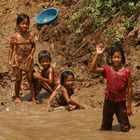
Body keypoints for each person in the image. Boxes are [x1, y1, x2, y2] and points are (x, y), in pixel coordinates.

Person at [90, 43, 132, 132]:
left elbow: (130, 89)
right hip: (108, 102)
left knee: (125, 128)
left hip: (121, 103)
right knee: (105, 128)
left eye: (118, 57)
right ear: (111, 58)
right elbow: (92, 69)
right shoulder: (107, 69)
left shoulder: (126, 72)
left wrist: (129, 106)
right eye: (114, 57)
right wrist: (97, 54)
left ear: (122, 58)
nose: (116, 59)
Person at [8, 13, 36, 104]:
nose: (25, 25)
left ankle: (33, 97)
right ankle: (17, 96)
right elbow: (11, 48)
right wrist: (9, 59)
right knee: (18, 79)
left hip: (28, 60)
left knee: (30, 79)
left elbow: (34, 46)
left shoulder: (31, 35)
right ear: (18, 25)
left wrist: (31, 54)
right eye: (23, 23)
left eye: (27, 24)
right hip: (18, 60)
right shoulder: (15, 36)